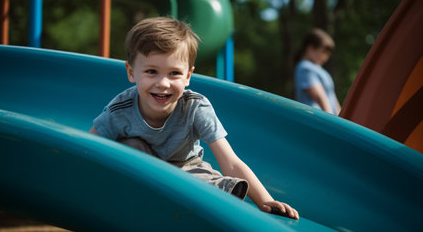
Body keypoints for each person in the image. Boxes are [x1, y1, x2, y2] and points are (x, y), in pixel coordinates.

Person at [89, 17, 299, 219]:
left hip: (186, 169)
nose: (163, 83)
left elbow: (231, 161)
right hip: (143, 170)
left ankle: (208, 207)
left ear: (188, 76)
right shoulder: (120, 109)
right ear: (131, 72)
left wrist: (265, 200)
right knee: (130, 146)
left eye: (174, 73)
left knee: (211, 183)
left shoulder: (195, 106)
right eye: (151, 71)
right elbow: (88, 147)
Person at [294, 28, 341, 115]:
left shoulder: (319, 69)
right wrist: (332, 123)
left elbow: (333, 98)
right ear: (310, 48)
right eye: (323, 52)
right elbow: (320, 98)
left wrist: (342, 119)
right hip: (318, 120)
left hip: (330, 119)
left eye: (328, 54)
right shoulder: (305, 67)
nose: (326, 58)